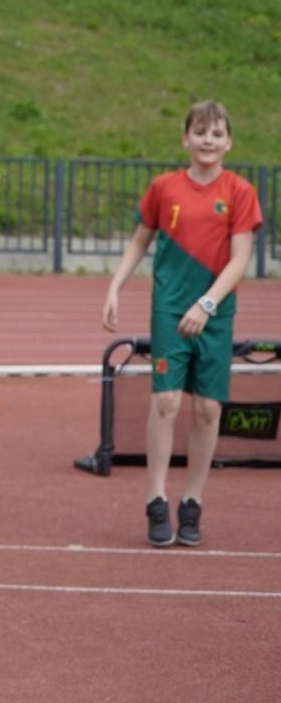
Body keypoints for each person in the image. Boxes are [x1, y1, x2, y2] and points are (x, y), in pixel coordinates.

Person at [102, 100, 263, 548]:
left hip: (215, 313)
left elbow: (241, 259)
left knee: (208, 409)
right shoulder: (164, 187)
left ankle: (192, 501)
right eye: (200, 132)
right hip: (170, 309)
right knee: (168, 401)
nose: (208, 141)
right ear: (185, 138)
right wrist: (115, 286)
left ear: (228, 141)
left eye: (216, 134)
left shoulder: (240, 191)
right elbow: (139, 241)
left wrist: (208, 304)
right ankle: (156, 499)